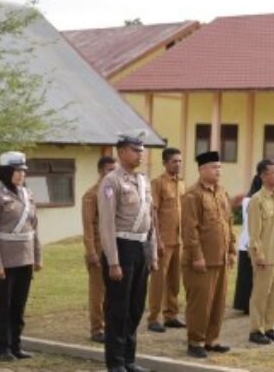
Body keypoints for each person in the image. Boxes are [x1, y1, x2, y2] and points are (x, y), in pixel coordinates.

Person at [98, 131, 158, 372]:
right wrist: (113, 261)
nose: (140, 154)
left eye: (142, 150)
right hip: (121, 248)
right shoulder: (111, 181)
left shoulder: (143, 181)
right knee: (118, 309)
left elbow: (151, 220)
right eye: (135, 150)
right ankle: (115, 362)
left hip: (141, 248)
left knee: (135, 307)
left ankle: (129, 360)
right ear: (121, 152)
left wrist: (152, 254)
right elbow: (107, 224)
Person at [0, 151, 42, 362]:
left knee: (18, 306)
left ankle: (16, 345)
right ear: (6, 173)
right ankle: (2, 348)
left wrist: (37, 256)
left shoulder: (28, 195)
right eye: (16, 171)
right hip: (4, 261)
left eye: (23, 171)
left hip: (24, 260)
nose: (20, 174)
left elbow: (33, 227)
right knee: (3, 306)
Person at [182, 151, 237, 358]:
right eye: (214, 167)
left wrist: (231, 250)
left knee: (218, 303)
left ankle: (211, 339)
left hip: (220, 258)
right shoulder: (192, 195)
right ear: (202, 169)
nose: (218, 170)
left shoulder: (221, 192)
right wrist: (197, 256)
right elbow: (190, 229)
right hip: (201, 260)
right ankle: (195, 341)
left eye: (220, 167)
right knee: (200, 304)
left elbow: (228, 223)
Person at [247, 160, 274, 345]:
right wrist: (258, 255)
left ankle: (270, 327)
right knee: (260, 294)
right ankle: (256, 330)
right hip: (265, 256)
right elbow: (254, 233)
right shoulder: (257, 200)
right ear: (263, 176)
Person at [147, 148, 187, 333]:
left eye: (179, 161)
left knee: (174, 280)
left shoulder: (182, 183)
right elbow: (153, 212)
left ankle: (171, 315)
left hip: (179, 240)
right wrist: (157, 239)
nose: (178, 164)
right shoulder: (158, 183)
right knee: (158, 280)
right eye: (174, 161)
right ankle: (153, 317)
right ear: (165, 163)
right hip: (163, 239)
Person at [82, 155, 117, 343]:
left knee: (114, 290)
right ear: (100, 171)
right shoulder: (92, 195)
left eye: (115, 170)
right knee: (98, 291)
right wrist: (91, 252)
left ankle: (111, 325)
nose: (113, 173)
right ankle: (97, 329)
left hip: (115, 247)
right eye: (109, 170)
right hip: (98, 246)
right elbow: (88, 226)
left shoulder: (115, 191)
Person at [233, 175, 262, 314]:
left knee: (256, 276)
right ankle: (245, 304)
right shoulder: (249, 200)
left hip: (256, 241)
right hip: (248, 242)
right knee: (247, 276)